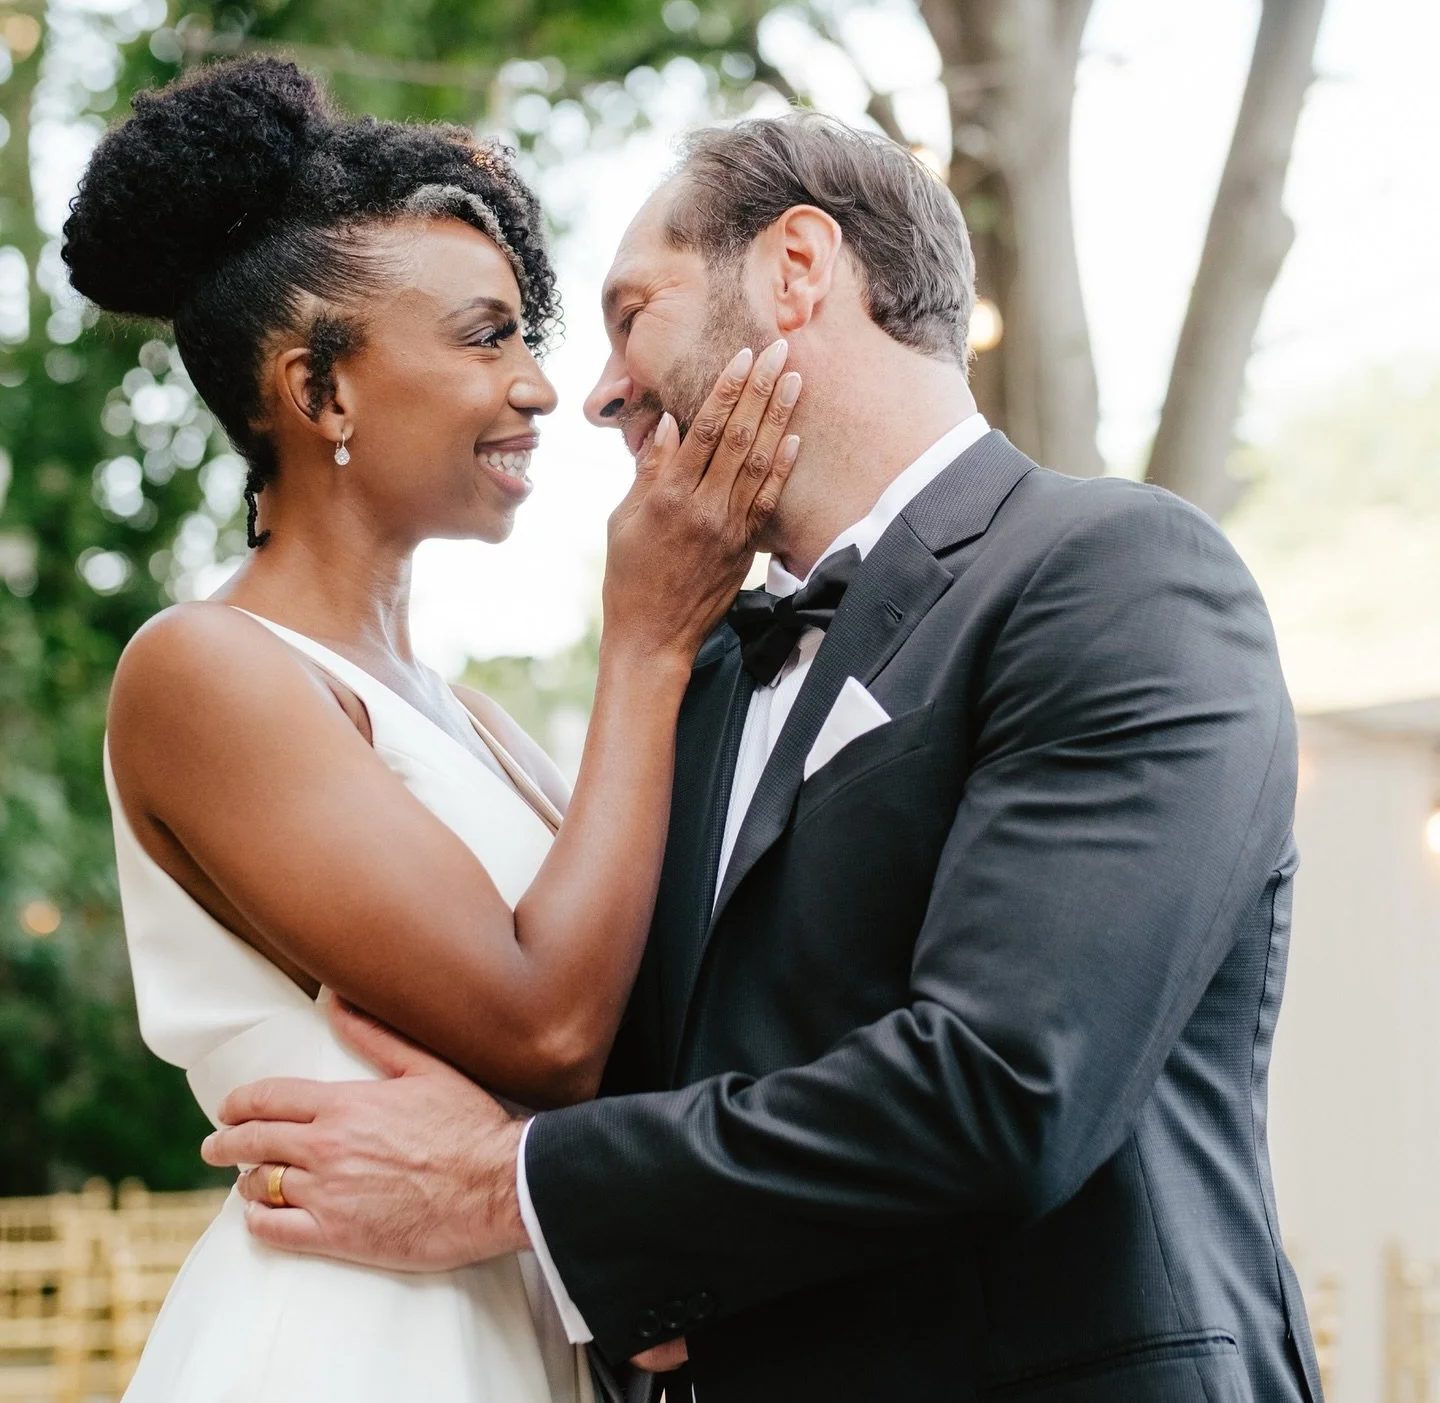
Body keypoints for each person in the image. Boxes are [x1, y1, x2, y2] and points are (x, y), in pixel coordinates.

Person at [204, 113, 1324, 1403]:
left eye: (633, 316)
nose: (603, 390)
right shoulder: (701, 672)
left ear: (798, 271)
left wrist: (503, 1184)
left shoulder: (1116, 575)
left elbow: (1004, 1091)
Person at [61, 58, 802, 1403]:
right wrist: (647, 636)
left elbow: (619, 1037)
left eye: (526, 333)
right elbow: (549, 1026)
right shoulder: (202, 670)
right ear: (319, 392)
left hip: (510, 1317)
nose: (537, 385)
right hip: (355, 1338)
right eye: (482, 336)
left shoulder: (467, 719)